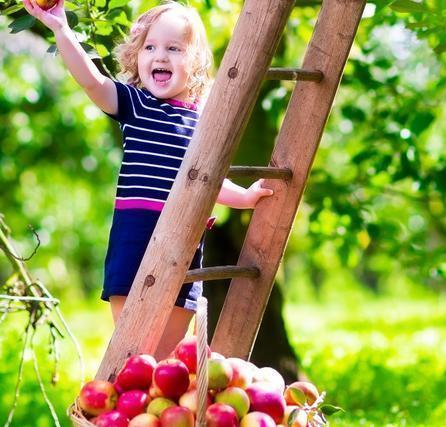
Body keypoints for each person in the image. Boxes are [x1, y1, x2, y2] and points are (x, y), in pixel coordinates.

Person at [23, 0, 274, 359]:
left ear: (195, 63)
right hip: (136, 232)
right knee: (133, 347)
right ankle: (129, 390)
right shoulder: (136, 105)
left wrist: (246, 198)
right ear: (137, 58)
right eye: (150, 47)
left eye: (174, 48)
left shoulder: (203, 124)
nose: (161, 55)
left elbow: (207, 181)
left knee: (165, 353)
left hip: (185, 237)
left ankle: (155, 400)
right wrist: (61, 29)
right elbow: (92, 82)